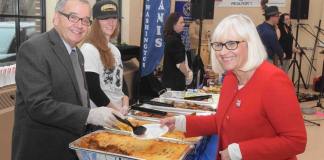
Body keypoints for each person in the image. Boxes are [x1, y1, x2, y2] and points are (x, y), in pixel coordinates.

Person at [161, 14, 307, 160]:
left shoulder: (273, 80)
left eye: (232, 43)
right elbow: (221, 120)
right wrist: (181, 122)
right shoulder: (231, 78)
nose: (223, 52)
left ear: (250, 43)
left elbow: (296, 141)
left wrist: (241, 151)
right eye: (218, 45)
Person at [12, 0, 123, 159]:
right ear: (56, 18)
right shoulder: (34, 49)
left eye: (85, 20)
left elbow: (80, 96)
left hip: (72, 145)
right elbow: (39, 105)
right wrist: (89, 115)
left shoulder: (77, 53)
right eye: (73, 17)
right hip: (43, 149)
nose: (80, 25)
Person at [80, 0, 129, 115]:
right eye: (105, 18)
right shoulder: (89, 49)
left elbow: (122, 85)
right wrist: (116, 111)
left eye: (114, 18)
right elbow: (93, 90)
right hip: (102, 119)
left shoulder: (115, 50)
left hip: (119, 114)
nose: (111, 23)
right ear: (96, 22)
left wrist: (126, 105)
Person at [162, 12, 193, 90]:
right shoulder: (174, 41)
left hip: (169, 82)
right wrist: (188, 75)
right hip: (175, 84)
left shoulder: (170, 38)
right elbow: (180, 64)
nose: (183, 24)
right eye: (181, 22)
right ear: (174, 24)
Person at [257, 0, 284, 67]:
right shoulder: (270, 32)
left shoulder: (259, 27)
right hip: (267, 60)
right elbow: (276, 47)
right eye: (278, 16)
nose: (279, 18)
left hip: (258, 59)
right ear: (272, 17)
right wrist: (282, 54)